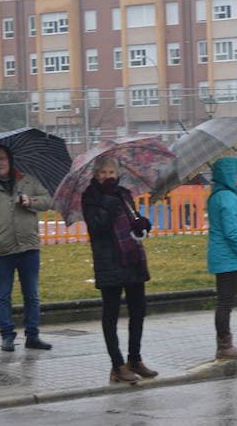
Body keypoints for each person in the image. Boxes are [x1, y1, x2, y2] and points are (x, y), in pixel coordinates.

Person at [0, 144, 53, 352]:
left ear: (10, 160)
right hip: (2, 250)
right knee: (3, 295)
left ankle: (33, 336)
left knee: (31, 294)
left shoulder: (28, 180)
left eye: (2, 158)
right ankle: (7, 336)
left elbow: (47, 200)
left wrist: (29, 200)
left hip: (28, 248)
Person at [81, 156, 157, 384]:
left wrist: (140, 223)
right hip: (109, 262)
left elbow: (131, 222)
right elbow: (97, 228)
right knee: (111, 316)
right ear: (95, 174)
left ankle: (135, 359)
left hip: (132, 259)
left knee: (138, 311)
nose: (107, 176)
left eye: (111, 172)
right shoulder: (90, 197)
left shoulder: (124, 194)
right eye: (103, 172)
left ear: (117, 173)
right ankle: (117, 365)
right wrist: (108, 204)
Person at [206, 156, 237, 360]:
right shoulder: (228, 197)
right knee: (225, 302)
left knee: (224, 301)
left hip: (222, 255)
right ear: (228, 174)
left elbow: (231, 223)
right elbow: (231, 233)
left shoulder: (219, 195)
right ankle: (225, 346)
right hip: (228, 257)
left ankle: (224, 344)